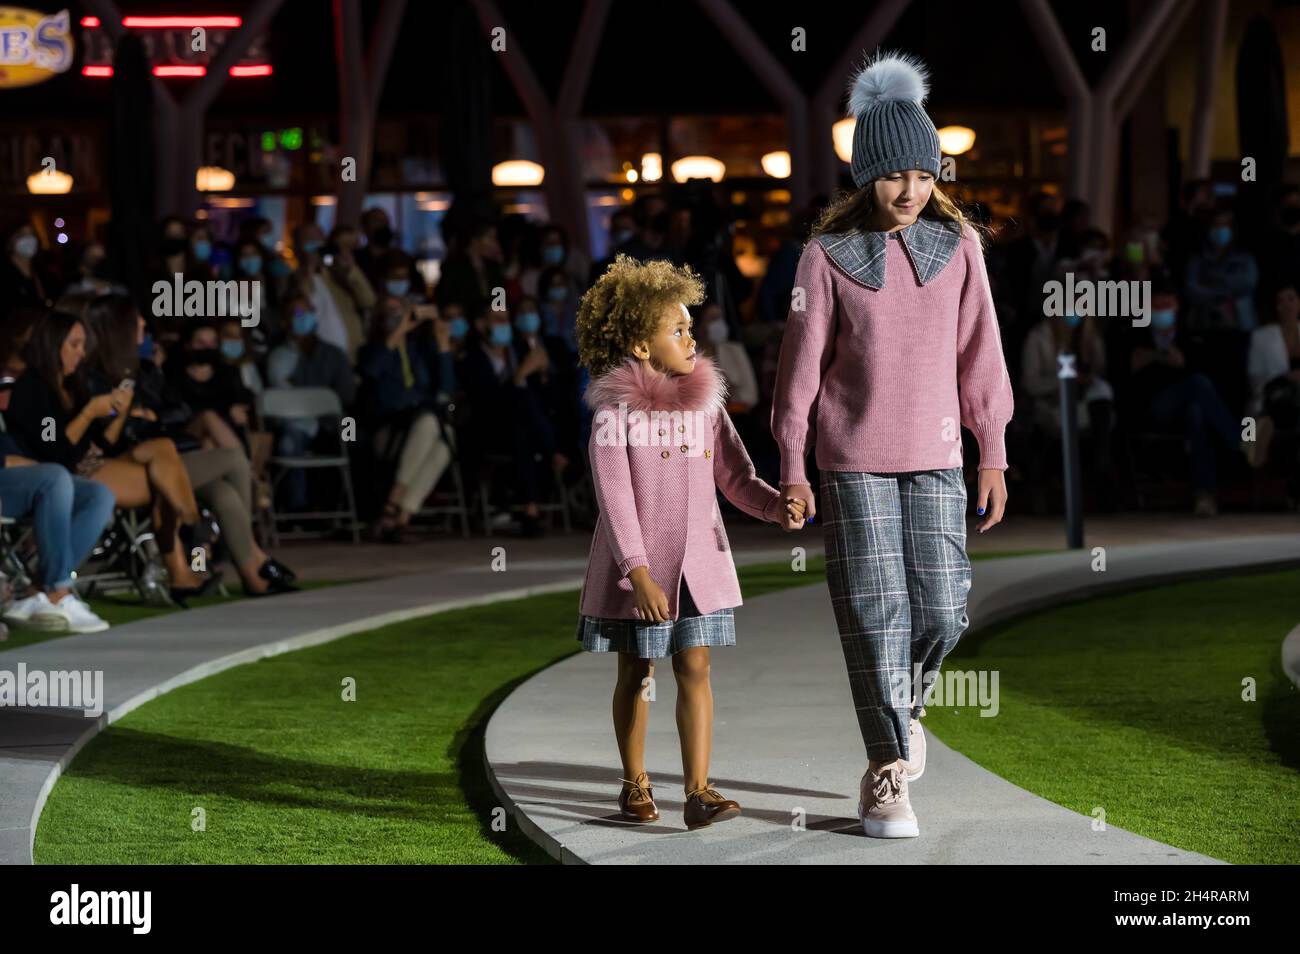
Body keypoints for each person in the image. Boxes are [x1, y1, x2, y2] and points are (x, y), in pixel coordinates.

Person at [770, 52, 1014, 839]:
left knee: (944, 611)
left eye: (923, 171)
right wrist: (792, 466)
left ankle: (901, 713)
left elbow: (983, 357)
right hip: (851, 464)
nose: (909, 189)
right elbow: (798, 376)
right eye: (891, 176)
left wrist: (994, 450)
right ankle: (885, 772)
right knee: (876, 615)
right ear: (862, 177)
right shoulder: (825, 259)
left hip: (939, 458)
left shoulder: (961, 252)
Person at [573, 253, 805, 829]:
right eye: (677, 330)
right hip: (639, 574)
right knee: (637, 671)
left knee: (695, 667)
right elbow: (615, 498)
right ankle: (635, 784)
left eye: (690, 328)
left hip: (700, 567)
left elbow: (736, 477)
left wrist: (776, 506)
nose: (691, 337)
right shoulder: (613, 416)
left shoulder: (707, 403)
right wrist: (638, 571)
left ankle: (699, 792)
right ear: (642, 345)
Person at [86, 297, 295, 596]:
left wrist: (150, 412)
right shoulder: (97, 375)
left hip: (169, 452)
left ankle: (251, 576)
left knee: (223, 495)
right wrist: (132, 416)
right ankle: (255, 554)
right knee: (233, 457)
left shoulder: (143, 370)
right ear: (120, 329)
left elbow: (173, 411)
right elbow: (105, 436)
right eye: (138, 324)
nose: (145, 328)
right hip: (132, 463)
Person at [7, 311, 219, 602]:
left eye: (83, 345)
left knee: (164, 449)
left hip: (92, 461)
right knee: (173, 482)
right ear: (53, 345)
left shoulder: (73, 384)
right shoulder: (35, 390)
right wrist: (89, 413)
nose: (82, 353)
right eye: (75, 345)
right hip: (57, 474)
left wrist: (118, 413)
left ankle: (191, 540)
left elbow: (103, 443)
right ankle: (190, 548)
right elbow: (53, 451)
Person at [1124, 291, 1247, 516]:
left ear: (1177, 307)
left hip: (1186, 412)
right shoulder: (1136, 335)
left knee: (1197, 412)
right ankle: (1241, 442)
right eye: (1156, 303)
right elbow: (1130, 374)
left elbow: (1205, 377)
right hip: (1154, 409)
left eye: (1167, 302)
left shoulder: (1190, 338)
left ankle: (1204, 496)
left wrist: (1182, 363)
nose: (1162, 308)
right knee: (1198, 385)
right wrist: (1157, 358)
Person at [359, 293, 456, 542]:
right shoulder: (371, 349)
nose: (399, 315)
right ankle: (394, 504)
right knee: (430, 425)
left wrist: (443, 344)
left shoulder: (418, 349)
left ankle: (400, 518)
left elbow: (445, 390)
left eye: (401, 310)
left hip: (421, 423)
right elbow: (370, 371)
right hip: (388, 429)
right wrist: (399, 331)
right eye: (391, 311)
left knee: (446, 440)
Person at [267, 291, 356, 512]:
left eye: (308, 312)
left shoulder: (334, 354)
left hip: (336, 422)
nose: (303, 317)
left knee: (356, 437)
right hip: (293, 424)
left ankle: (345, 511)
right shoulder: (279, 355)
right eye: (297, 313)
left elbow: (347, 396)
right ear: (284, 320)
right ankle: (299, 511)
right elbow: (281, 398)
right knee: (290, 441)